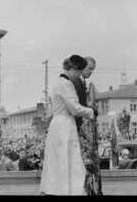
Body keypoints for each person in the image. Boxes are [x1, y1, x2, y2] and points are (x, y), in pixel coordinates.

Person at [39, 55, 95, 195]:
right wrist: (91, 111)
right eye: (79, 71)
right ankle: (67, 192)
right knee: (69, 161)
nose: (79, 75)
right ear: (74, 69)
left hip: (56, 124)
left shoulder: (58, 81)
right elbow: (74, 108)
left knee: (58, 161)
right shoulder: (67, 84)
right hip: (65, 125)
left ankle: (57, 191)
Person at [71, 56, 97, 133]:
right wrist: (90, 110)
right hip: (75, 125)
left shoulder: (81, 82)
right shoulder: (75, 81)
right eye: (90, 68)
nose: (92, 71)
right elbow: (75, 105)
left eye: (93, 69)